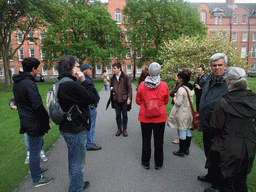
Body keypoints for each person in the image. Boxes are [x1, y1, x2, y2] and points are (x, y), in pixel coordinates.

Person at [203, 67, 256, 192]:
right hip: (248, 144)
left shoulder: (224, 102)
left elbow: (215, 126)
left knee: (228, 180)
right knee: (241, 178)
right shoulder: (253, 99)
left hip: (228, 146)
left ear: (228, 82)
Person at [57, 55, 98, 192]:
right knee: (77, 163)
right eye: (78, 66)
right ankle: (76, 188)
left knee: (73, 158)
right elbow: (94, 97)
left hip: (67, 127)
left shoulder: (61, 82)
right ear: (71, 68)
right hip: (75, 129)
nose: (80, 68)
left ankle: (76, 184)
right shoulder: (70, 85)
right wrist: (84, 80)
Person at [13, 57, 53, 187]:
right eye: (38, 68)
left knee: (35, 146)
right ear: (33, 69)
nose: (39, 70)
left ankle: (36, 170)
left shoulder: (18, 82)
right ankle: (37, 178)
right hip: (33, 122)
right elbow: (37, 105)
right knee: (35, 150)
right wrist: (46, 119)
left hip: (26, 119)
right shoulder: (28, 83)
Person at [197, 53, 229, 183]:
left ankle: (218, 182)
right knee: (208, 152)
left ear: (225, 66)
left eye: (220, 65)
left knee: (217, 155)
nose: (217, 68)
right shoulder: (209, 79)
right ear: (210, 67)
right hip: (206, 123)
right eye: (214, 65)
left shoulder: (228, 82)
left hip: (219, 126)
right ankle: (210, 175)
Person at [136, 62, 169, 170]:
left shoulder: (142, 85)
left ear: (149, 72)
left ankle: (146, 162)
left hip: (145, 117)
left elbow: (138, 101)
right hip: (160, 117)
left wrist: (146, 105)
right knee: (159, 141)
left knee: (146, 140)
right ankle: (158, 163)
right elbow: (166, 101)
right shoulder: (164, 85)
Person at [168, 69, 194, 157]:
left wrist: (175, 97)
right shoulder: (190, 87)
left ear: (182, 79)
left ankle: (181, 150)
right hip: (189, 112)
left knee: (182, 130)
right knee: (187, 129)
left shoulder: (181, 89)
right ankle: (187, 149)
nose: (178, 79)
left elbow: (178, 103)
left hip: (182, 113)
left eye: (178, 77)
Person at [81, 64, 102, 151]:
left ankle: (87, 142)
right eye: (90, 69)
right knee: (91, 125)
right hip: (90, 106)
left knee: (86, 125)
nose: (91, 71)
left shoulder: (81, 79)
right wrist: (96, 99)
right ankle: (90, 144)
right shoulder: (86, 80)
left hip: (86, 106)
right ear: (86, 71)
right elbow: (91, 92)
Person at [110, 62, 132, 137]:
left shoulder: (126, 77)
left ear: (119, 68)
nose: (113, 70)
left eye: (114, 68)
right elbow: (111, 85)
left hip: (124, 99)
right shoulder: (112, 78)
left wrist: (129, 98)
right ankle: (119, 129)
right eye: (112, 68)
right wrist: (111, 88)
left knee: (125, 115)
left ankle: (124, 129)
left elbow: (130, 89)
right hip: (116, 100)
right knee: (118, 115)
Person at [168, 73, 182, 144]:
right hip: (179, 106)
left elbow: (172, 93)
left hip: (178, 106)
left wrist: (173, 93)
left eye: (177, 76)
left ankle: (180, 139)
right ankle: (180, 138)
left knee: (179, 123)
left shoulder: (179, 86)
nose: (175, 77)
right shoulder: (178, 84)